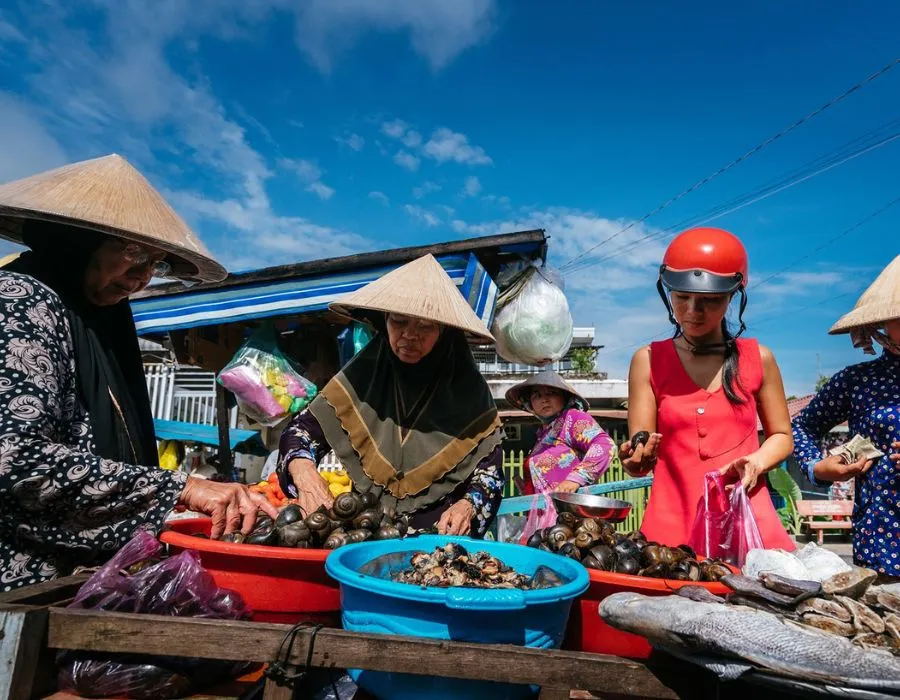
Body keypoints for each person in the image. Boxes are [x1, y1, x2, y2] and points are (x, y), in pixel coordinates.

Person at [0, 155, 276, 591]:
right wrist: (178, 489)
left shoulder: (101, 320)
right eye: (134, 254)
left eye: (157, 264)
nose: (142, 277)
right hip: (22, 589)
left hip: (87, 580)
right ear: (77, 240)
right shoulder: (18, 301)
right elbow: (14, 460)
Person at [278, 254, 504, 537]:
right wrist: (305, 473)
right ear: (384, 321)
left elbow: (490, 475)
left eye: (425, 326)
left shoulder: (471, 392)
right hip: (362, 540)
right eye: (399, 321)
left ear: (444, 332)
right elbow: (300, 431)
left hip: (437, 549)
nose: (410, 335)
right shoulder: (360, 378)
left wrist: (468, 506)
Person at [619, 227, 794, 550]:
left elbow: (782, 436)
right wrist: (635, 460)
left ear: (733, 296)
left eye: (709, 301)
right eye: (681, 297)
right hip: (672, 529)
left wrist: (755, 461)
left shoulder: (759, 359)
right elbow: (641, 444)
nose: (691, 311)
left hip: (747, 521)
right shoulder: (647, 360)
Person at [792, 254, 900, 576]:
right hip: (884, 544)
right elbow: (801, 427)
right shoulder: (857, 381)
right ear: (881, 323)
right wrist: (817, 468)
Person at [505, 369, 615, 495]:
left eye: (551, 393)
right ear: (529, 403)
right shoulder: (544, 433)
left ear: (565, 397)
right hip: (545, 511)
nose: (544, 400)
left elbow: (604, 445)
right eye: (537, 395)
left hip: (571, 510)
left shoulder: (572, 418)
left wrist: (576, 479)